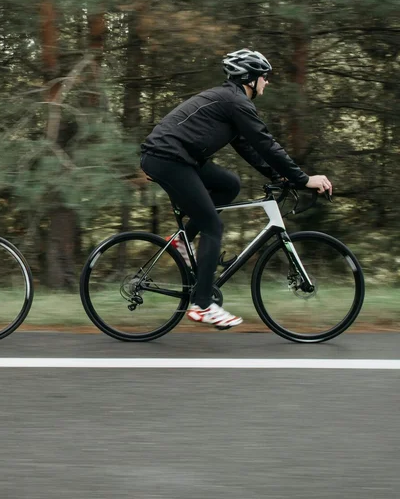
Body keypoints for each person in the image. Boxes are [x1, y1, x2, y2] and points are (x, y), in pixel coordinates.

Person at [140, 49, 333, 329]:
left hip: (178, 158)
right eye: (264, 77)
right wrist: (303, 179)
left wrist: (281, 177)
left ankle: (183, 240)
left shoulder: (232, 101)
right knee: (213, 227)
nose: (267, 82)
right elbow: (266, 143)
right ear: (250, 79)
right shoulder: (236, 102)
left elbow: (249, 147)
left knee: (229, 185)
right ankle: (203, 305)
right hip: (168, 159)